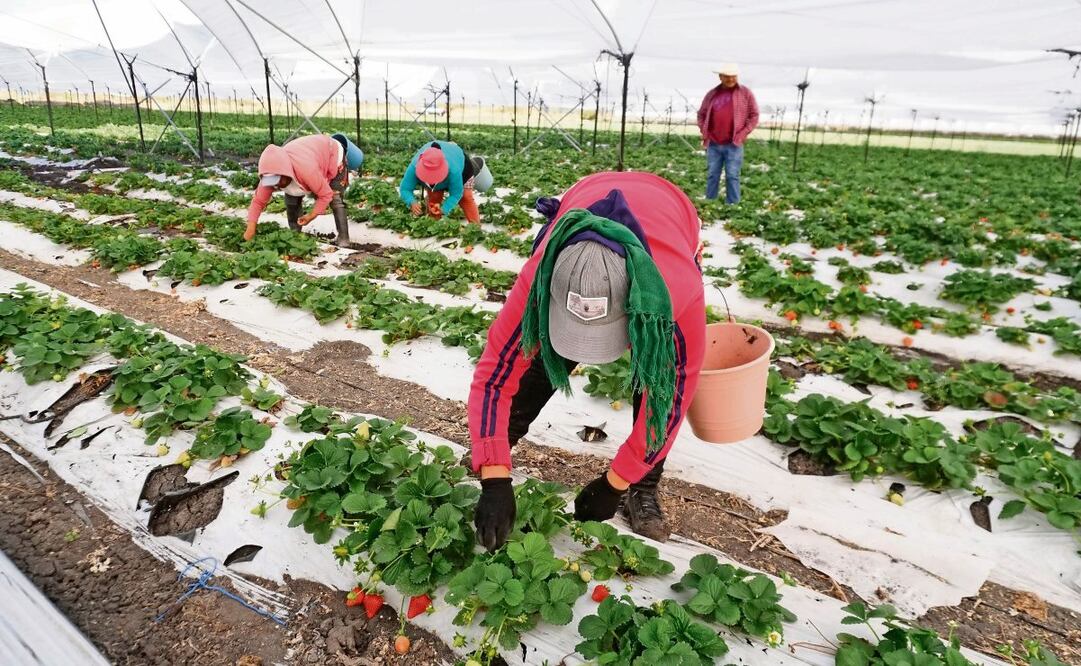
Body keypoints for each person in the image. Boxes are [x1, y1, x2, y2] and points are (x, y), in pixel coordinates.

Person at [468, 171, 706, 551]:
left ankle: (644, 486)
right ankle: (501, 440)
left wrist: (616, 482)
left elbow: (671, 401)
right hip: (588, 192)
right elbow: (495, 375)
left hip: (670, 212)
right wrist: (494, 476)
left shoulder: (674, 296)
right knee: (544, 352)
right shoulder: (541, 273)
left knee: (654, 375)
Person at [245, 133, 363, 246]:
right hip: (306, 154)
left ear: (285, 172)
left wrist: (311, 215)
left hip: (331, 152)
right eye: (271, 181)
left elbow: (326, 194)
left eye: (277, 180)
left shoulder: (307, 171)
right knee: (291, 199)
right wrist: (250, 229)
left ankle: (343, 239)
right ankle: (294, 234)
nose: (275, 185)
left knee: (335, 198)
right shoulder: (270, 172)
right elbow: (258, 202)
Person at [697, 63, 759, 204]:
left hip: (734, 143)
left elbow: (754, 115)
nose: (730, 79)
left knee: (732, 175)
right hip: (713, 142)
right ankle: (710, 203)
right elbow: (701, 114)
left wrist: (743, 133)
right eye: (727, 76)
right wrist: (704, 130)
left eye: (733, 76)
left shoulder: (745, 93)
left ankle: (733, 205)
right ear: (720, 77)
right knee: (712, 175)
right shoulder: (712, 94)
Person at [399, 140, 481, 223]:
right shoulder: (414, 167)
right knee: (434, 199)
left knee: (465, 197)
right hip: (445, 162)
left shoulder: (454, 170)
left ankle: (475, 227)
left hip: (462, 166)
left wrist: (444, 209)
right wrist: (411, 202)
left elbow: (456, 193)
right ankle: (433, 224)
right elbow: (405, 189)